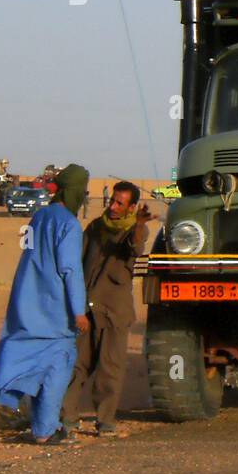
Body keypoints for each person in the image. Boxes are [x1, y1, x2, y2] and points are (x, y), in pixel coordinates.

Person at [0, 163, 92, 445]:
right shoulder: (69, 225)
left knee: (35, 362)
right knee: (57, 367)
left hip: (27, 305)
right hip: (56, 312)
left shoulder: (39, 217)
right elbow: (70, 270)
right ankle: (46, 430)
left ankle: (42, 425)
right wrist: (78, 311)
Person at [62, 181, 154, 437]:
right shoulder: (95, 228)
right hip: (86, 310)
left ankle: (105, 422)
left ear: (132, 207)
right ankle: (67, 418)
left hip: (114, 311)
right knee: (77, 366)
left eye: (119, 203)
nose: (113, 206)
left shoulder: (134, 231)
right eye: (112, 201)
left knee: (109, 369)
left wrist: (139, 224)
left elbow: (135, 247)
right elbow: (78, 262)